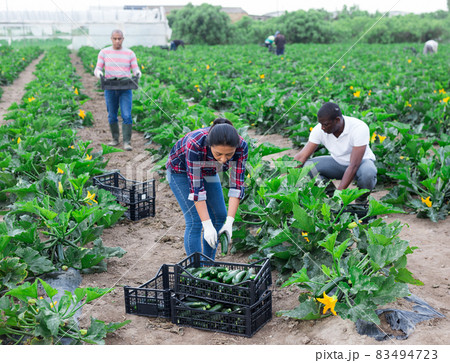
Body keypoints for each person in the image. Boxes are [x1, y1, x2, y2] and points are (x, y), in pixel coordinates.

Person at [166, 118, 249, 260]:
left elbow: (237, 186)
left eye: (229, 155)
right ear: (210, 145)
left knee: (220, 216)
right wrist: (207, 225)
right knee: (196, 221)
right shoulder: (195, 144)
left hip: (209, 170)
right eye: (218, 154)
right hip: (180, 171)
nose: (223, 159)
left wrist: (229, 222)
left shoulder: (241, 146)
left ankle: (208, 264)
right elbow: (197, 191)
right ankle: (196, 272)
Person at [294, 102, 377, 202]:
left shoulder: (358, 128)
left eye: (325, 124)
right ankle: (330, 194)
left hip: (360, 164)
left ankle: (361, 201)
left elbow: (353, 165)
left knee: (368, 173)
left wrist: (339, 195)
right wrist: (283, 178)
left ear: (337, 120)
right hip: (338, 163)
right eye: (320, 124)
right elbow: (301, 157)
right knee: (309, 166)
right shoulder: (320, 129)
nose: (322, 128)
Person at [94, 29, 141, 151]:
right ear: (111, 39)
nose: (117, 41)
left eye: (119, 38)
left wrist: (137, 73)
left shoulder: (130, 53)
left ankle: (127, 141)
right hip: (110, 86)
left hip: (125, 87)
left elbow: (135, 69)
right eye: (115, 38)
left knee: (126, 114)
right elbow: (97, 68)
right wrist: (99, 74)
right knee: (112, 115)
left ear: (123, 39)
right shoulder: (104, 52)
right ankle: (115, 139)